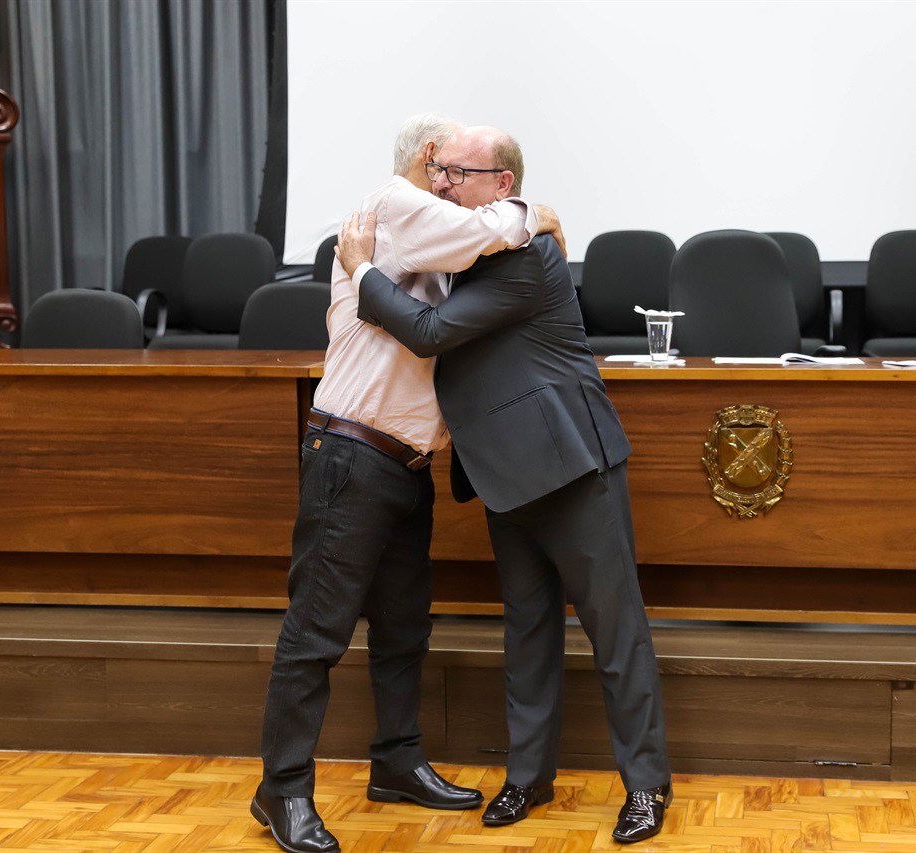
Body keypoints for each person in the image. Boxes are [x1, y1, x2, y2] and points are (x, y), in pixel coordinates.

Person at [339, 125, 672, 845]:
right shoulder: (465, 247)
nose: (443, 183)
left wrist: (365, 274)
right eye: (441, 169)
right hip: (503, 475)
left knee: (617, 633)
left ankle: (646, 787)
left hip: (573, 468)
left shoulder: (528, 255)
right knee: (526, 632)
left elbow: (427, 332)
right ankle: (528, 778)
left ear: (503, 187)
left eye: (460, 171)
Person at [252, 113, 564, 853]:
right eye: (447, 171)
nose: (455, 184)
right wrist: (532, 211)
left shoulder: (428, 243)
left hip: (405, 465)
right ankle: (283, 790)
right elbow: (502, 226)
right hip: (352, 457)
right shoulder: (389, 211)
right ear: (427, 164)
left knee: (402, 630)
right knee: (317, 631)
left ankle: (396, 761)